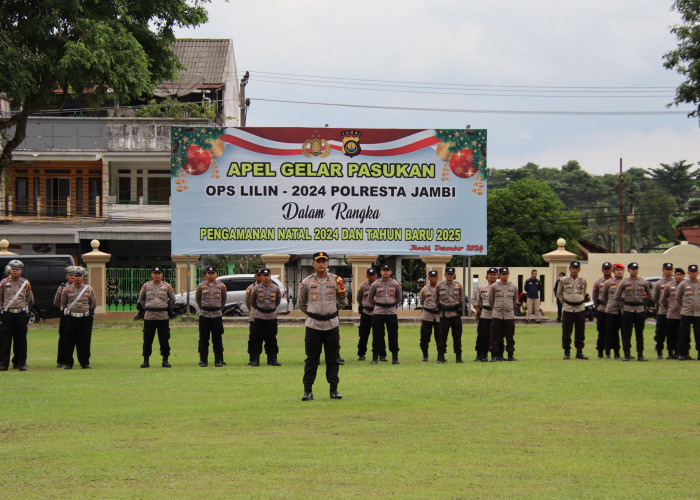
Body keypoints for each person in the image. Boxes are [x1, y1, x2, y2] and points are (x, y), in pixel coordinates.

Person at [298, 252, 348, 401]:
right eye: (318, 261)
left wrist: (330, 312)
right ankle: (308, 391)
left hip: (331, 324)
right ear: (313, 263)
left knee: (333, 358)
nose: (321, 263)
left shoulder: (335, 280)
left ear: (327, 263)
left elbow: (343, 301)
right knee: (311, 359)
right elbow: (301, 303)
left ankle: (334, 390)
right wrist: (315, 314)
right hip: (313, 325)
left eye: (323, 261)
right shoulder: (306, 282)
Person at [137, 266, 176, 368]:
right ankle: (146, 360)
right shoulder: (146, 286)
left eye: (159, 273)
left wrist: (166, 308)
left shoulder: (167, 286)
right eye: (155, 273)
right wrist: (147, 307)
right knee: (147, 339)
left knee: (164, 339)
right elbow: (141, 299)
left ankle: (165, 360)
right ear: (152, 274)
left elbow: (172, 300)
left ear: (162, 275)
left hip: (163, 316)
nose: (157, 275)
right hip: (149, 316)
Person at [0, 259, 35, 371]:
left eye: (17, 269)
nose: (15, 271)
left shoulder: (25, 283)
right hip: (8, 314)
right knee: (5, 340)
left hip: (21, 313)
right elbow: (0, 298)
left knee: (21, 340)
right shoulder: (3, 283)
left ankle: (20, 363)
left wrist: (26, 309)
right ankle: (4, 363)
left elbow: (30, 299)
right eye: (13, 269)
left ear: (21, 271)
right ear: (10, 270)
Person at [614, 262, 652, 361]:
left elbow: (650, 296)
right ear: (629, 270)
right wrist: (626, 300)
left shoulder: (643, 282)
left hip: (639, 309)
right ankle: (627, 354)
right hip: (628, 309)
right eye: (632, 269)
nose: (634, 271)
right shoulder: (624, 282)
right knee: (627, 333)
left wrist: (641, 300)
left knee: (639, 333)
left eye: (636, 269)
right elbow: (617, 296)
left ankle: (640, 354)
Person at [61, 267, 96, 369]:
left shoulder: (89, 289)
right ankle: (68, 363)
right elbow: (64, 303)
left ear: (83, 277)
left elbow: (93, 303)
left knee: (84, 341)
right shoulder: (67, 289)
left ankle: (84, 362)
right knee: (69, 341)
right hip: (71, 318)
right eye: (75, 276)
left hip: (84, 318)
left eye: (79, 276)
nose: (77, 278)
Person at [368, 264, 402, 364]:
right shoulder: (375, 284)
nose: (385, 272)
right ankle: (375, 357)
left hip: (391, 311)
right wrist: (378, 305)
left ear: (391, 272)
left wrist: (392, 305)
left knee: (393, 335)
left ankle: (395, 357)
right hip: (378, 311)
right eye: (384, 270)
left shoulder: (395, 284)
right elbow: (370, 298)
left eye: (387, 270)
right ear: (381, 272)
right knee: (377, 335)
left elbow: (399, 298)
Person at [195, 266, 227, 367]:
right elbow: (198, 299)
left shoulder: (221, 286)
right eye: (209, 273)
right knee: (203, 338)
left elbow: (223, 300)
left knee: (217, 338)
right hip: (204, 315)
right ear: (206, 275)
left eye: (213, 273)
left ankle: (218, 360)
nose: (211, 275)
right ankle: (203, 360)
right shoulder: (201, 286)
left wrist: (218, 310)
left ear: (216, 274)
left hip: (216, 315)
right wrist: (203, 309)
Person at [557, 261, 588, 360]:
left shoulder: (583, 280)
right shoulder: (563, 280)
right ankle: (567, 352)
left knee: (580, 331)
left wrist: (579, 300)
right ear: (569, 269)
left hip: (580, 308)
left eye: (576, 268)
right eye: (573, 268)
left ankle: (579, 352)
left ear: (579, 269)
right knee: (566, 330)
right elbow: (559, 293)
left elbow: (584, 292)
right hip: (568, 308)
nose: (574, 270)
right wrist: (565, 303)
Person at [250, 268, 282, 366]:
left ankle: (272, 359)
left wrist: (270, 309)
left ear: (270, 276)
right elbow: (252, 302)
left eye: (267, 275)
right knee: (257, 338)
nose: (266, 277)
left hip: (271, 316)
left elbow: (277, 301)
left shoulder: (275, 288)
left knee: (271, 338)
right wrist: (261, 310)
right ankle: (256, 359)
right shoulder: (256, 289)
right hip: (259, 316)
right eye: (264, 276)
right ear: (261, 276)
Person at [488, 267, 518, 361]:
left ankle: (510, 355)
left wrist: (508, 307)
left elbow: (514, 300)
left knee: (510, 336)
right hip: (497, 314)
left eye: (506, 274)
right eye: (503, 274)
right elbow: (491, 300)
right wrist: (496, 308)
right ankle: (494, 355)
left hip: (509, 315)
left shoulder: (513, 287)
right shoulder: (494, 286)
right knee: (495, 336)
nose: (505, 276)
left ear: (508, 275)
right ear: (499, 275)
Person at [436, 266, 464, 363]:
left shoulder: (458, 285)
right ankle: (441, 356)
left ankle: (458, 357)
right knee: (442, 337)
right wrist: (440, 307)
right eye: (448, 274)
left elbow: (461, 299)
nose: (450, 276)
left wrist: (458, 306)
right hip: (444, 315)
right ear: (445, 275)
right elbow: (436, 300)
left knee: (457, 336)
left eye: (452, 274)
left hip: (455, 315)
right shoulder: (439, 286)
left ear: (454, 275)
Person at [676, 264, 700, 361]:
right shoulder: (684, 284)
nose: (693, 273)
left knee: (699, 334)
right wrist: (685, 306)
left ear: (697, 272)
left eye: (695, 271)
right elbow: (678, 298)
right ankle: (683, 353)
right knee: (684, 334)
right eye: (691, 272)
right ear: (688, 273)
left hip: (698, 313)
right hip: (686, 312)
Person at [474, 267, 498, 362]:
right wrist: (478, 309)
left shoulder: (500, 286)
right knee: (483, 335)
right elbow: (477, 299)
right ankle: (482, 355)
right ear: (486, 276)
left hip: (496, 313)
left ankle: (496, 355)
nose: (492, 275)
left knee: (496, 335)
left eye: (494, 274)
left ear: (497, 276)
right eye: (490, 274)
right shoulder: (481, 287)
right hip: (485, 313)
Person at [660, 267, 685, 359]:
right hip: (671, 314)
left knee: (681, 334)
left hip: (682, 314)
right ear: (674, 276)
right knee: (671, 334)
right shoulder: (669, 286)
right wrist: (670, 307)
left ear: (683, 276)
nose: (679, 276)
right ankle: (670, 352)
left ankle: (679, 352)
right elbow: (663, 299)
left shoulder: (686, 285)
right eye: (677, 275)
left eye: (681, 275)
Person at [601, 263, 625, 359]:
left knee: (624, 332)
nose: (619, 272)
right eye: (617, 270)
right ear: (613, 272)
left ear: (623, 271)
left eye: (621, 270)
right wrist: (609, 305)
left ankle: (622, 352)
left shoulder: (626, 282)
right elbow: (603, 296)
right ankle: (608, 352)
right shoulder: (608, 283)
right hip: (611, 310)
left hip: (623, 310)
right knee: (610, 332)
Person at [53, 265, 75, 368]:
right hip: (66, 315)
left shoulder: (84, 288)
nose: (71, 277)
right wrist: (65, 308)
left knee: (77, 338)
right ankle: (61, 360)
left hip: (78, 315)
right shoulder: (62, 287)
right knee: (63, 337)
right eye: (69, 275)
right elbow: (56, 301)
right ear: (66, 276)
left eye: (73, 275)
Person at [652, 263, 674, 359]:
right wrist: (660, 305)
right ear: (663, 270)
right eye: (667, 269)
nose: (668, 271)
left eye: (670, 269)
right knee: (660, 332)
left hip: (673, 312)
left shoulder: (676, 282)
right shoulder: (659, 283)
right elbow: (655, 297)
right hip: (662, 311)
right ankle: (659, 352)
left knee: (672, 333)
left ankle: (671, 352)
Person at [356, 267, 377, 361]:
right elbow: (359, 298)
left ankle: (380, 353)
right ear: (367, 276)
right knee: (364, 334)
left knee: (378, 335)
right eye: (370, 275)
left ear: (376, 276)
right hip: (365, 313)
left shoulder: (381, 285)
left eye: (373, 275)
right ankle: (361, 354)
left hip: (377, 313)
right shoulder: (363, 286)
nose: (371, 277)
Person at [592, 262, 613, 358]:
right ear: (602, 270)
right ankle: (600, 351)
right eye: (605, 268)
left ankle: (609, 351)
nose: (607, 270)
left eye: (608, 268)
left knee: (611, 331)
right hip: (602, 308)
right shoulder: (598, 282)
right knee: (601, 331)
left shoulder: (616, 281)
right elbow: (595, 296)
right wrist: (597, 307)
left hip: (613, 309)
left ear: (611, 269)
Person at [418, 270, 440, 362]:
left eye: (435, 277)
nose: (433, 278)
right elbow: (422, 301)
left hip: (439, 315)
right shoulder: (424, 289)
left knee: (440, 336)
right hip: (427, 315)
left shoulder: (441, 288)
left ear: (437, 278)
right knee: (425, 335)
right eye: (431, 276)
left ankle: (440, 355)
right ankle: (425, 355)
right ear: (428, 278)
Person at [245, 269, 263, 365]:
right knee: (253, 338)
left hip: (266, 317)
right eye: (258, 275)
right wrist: (252, 311)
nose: (260, 277)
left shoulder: (271, 287)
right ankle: (252, 358)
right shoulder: (250, 288)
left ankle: (271, 358)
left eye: (261, 275)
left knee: (268, 338)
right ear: (255, 276)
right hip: (254, 317)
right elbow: (248, 302)